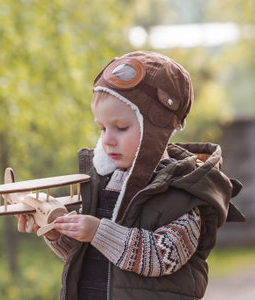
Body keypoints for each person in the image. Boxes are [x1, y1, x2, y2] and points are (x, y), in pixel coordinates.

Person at [16, 51, 245, 300]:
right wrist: (55, 230)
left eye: (121, 128)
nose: (108, 139)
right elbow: (89, 254)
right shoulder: (105, 182)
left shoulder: (184, 191)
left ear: (156, 130)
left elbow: (163, 257)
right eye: (102, 128)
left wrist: (97, 231)